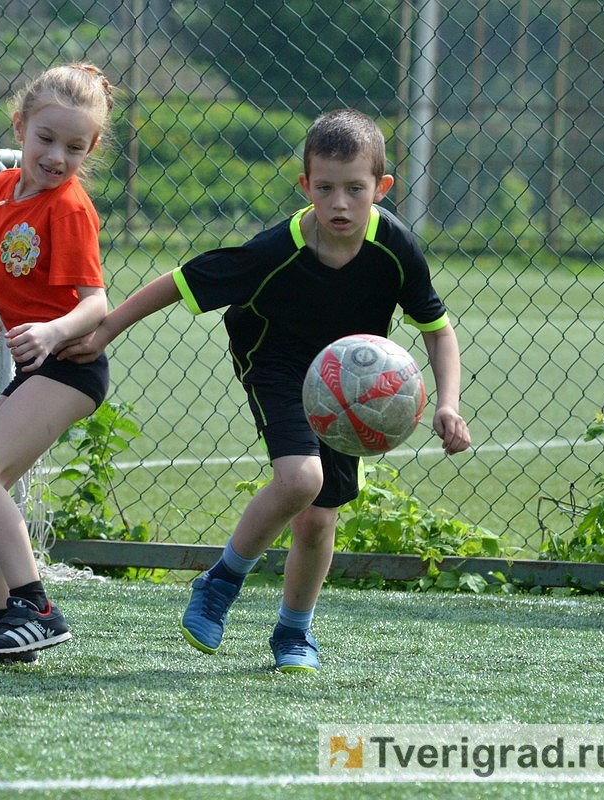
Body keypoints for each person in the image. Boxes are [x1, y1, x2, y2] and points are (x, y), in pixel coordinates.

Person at [59, 109, 472, 673]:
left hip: (349, 381)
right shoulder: (276, 249)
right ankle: (220, 582)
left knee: (318, 517)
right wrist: (105, 328)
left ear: (382, 188)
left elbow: (437, 328)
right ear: (305, 187)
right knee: (302, 477)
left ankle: (293, 634)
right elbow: (181, 281)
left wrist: (447, 402)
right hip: (275, 362)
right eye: (325, 188)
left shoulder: (394, 246)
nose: (340, 203)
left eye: (356, 188)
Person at [0, 64, 115, 663]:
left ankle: (36, 608)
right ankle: (7, 625)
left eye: (74, 146)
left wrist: (50, 330)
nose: (56, 156)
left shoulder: (68, 209)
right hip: (35, 369)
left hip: (70, 367)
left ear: (91, 149)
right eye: (46, 138)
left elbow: (95, 304)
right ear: (19, 127)